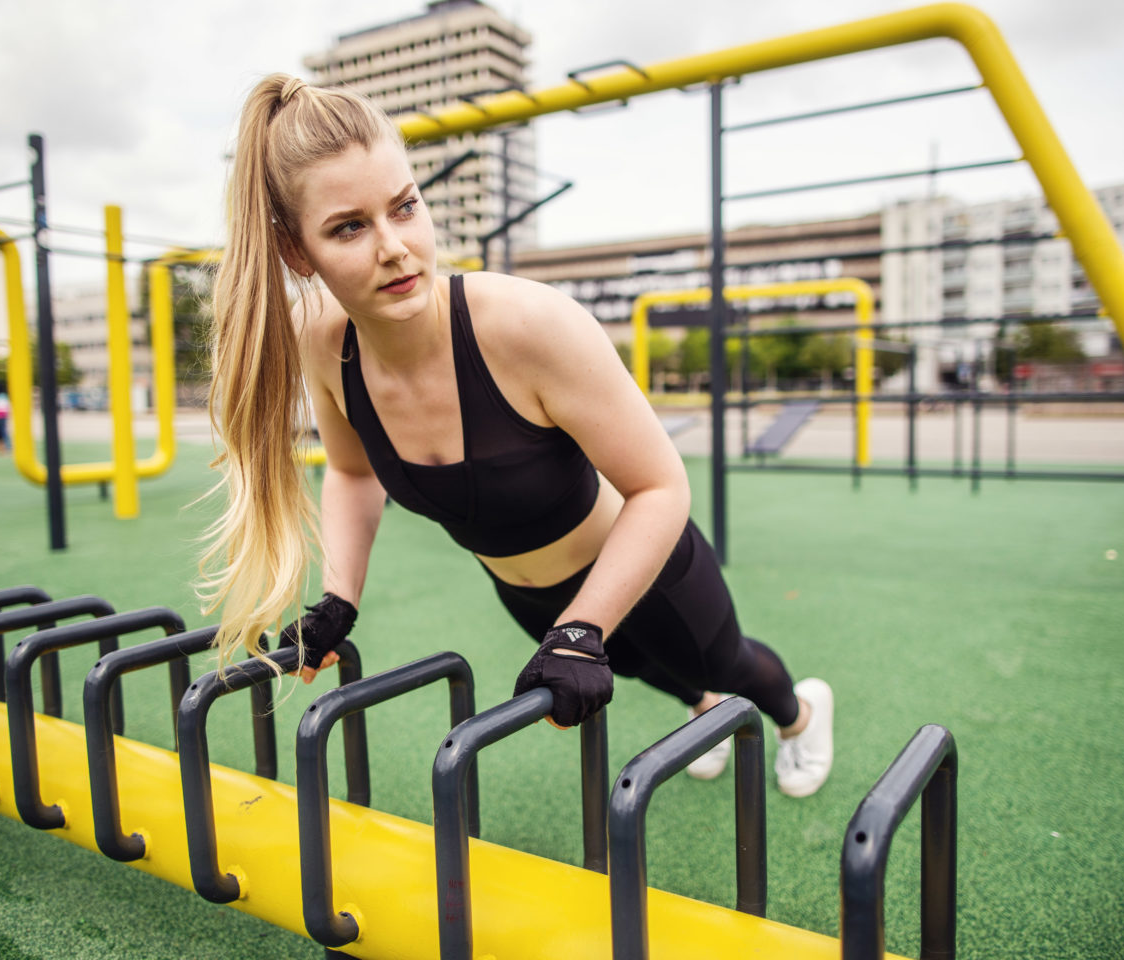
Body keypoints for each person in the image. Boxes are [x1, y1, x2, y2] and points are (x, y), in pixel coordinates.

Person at [199, 75, 833, 797]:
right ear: (296, 251)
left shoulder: (530, 326)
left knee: (730, 666)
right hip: (525, 593)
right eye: (349, 227)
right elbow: (351, 473)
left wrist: (584, 624)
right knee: (639, 670)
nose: (395, 248)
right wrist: (340, 598)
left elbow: (660, 487)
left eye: (405, 208)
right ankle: (700, 708)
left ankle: (802, 716)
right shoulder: (326, 344)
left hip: (645, 571)